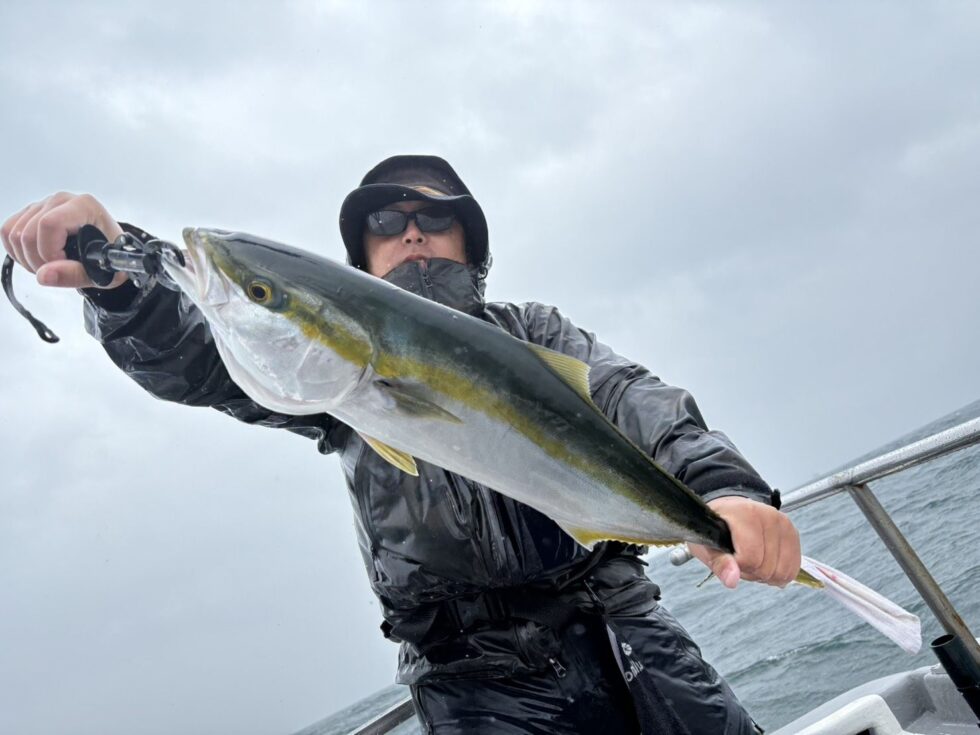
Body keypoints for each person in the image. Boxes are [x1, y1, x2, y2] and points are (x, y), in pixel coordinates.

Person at [2, 155, 801, 734]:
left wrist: (722, 488)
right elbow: (208, 356)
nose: (410, 231)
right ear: (360, 259)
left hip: (633, 634)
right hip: (474, 687)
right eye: (385, 221)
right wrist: (125, 281)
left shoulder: (536, 334)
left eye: (434, 216)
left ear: (469, 241)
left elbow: (637, 403)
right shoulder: (335, 388)